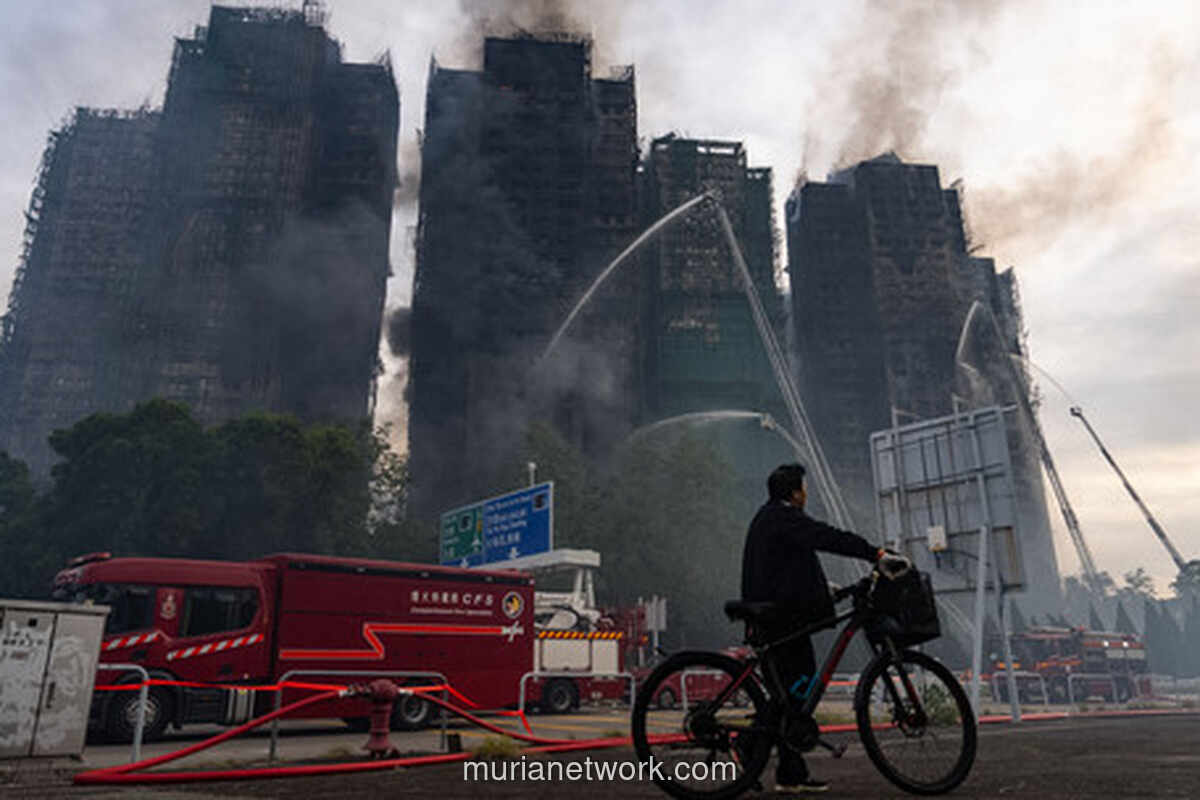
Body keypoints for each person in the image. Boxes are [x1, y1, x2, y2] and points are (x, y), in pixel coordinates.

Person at [740, 463, 904, 794]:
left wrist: (821, 588)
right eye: (803, 488)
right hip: (780, 622)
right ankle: (746, 745)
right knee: (798, 687)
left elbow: (785, 566)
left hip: (777, 617)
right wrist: (875, 553)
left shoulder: (770, 518)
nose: (806, 493)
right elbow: (825, 537)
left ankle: (790, 773)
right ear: (794, 493)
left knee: (793, 695)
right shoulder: (783, 517)